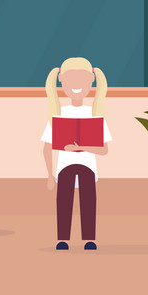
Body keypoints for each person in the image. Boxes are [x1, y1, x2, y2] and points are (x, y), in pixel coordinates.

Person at [40, 57, 111, 251]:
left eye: (82, 80)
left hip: (88, 167)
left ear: (91, 82)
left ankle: (90, 239)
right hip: (64, 168)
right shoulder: (58, 113)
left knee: (89, 203)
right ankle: (62, 239)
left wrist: (83, 147)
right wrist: (49, 174)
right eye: (72, 80)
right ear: (61, 80)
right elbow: (47, 147)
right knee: (64, 203)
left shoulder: (95, 114)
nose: (77, 86)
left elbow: (104, 149)